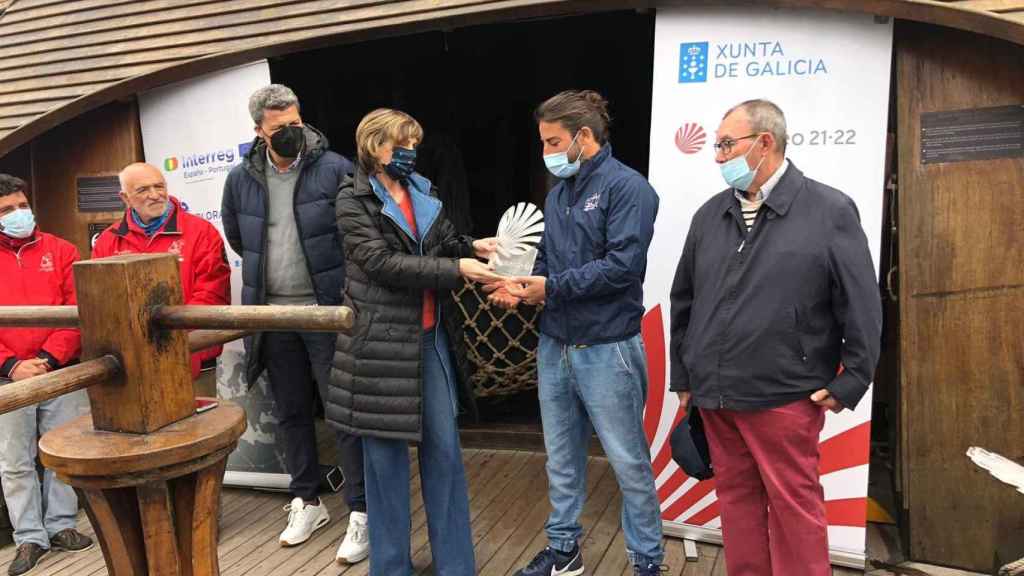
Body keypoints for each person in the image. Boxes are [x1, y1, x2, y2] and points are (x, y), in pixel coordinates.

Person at [668, 99, 882, 575]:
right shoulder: (709, 215)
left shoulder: (829, 210)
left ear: (765, 143)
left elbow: (862, 304)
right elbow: (684, 299)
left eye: (726, 144)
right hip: (716, 396)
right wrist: (684, 375)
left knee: (794, 507)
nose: (717, 156)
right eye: (717, 146)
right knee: (737, 503)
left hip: (785, 395)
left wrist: (853, 380)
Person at [491, 90, 664, 576]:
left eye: (553, 141)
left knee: (629, 463)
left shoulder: (629, 189)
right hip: (555, 345)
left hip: (608, 348)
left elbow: (623, 268)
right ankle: (564, 551)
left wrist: (550, 287)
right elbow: (546, 260)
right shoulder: (558, 191)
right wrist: (522, 287)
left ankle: (647, 562)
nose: (546, 151)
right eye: (543, 142)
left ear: (583, 136)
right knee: (561, 460)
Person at [328, 108, 501, 576]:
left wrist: (471, 247)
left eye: (413, 144)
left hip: (432, 341)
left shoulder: (423, 189)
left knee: (445, 455)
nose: (409, 153)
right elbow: (382, 264)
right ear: (373, 147)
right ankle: (389, 567)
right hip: (379, 349)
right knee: (384, 468)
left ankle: (456, 566)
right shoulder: (352, 199)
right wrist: (456, 269)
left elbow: (441, 242)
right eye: (399, 144)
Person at [220, 84, 368, 562]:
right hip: (273, 314)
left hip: (325, 311)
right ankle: (306, 500)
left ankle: (362, 511)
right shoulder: (241, 179)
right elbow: (240, 239)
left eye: (295, 123)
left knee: (342, 411)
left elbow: (358, 234)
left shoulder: (336, 167)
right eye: (279, 127)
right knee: (289, 412)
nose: (290, 133)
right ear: (259, 131)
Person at [0, 174, 93, 576]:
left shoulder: (62, 249)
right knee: (15, 461)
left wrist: (47, 361)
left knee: (62, 453)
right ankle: (29, 537)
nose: (18, 214)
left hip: (58, 371)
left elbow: (77, 312)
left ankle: (62, 527)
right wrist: (12, 366)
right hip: (8, 379)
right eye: (6, 210)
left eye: (21, 205)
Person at [93, 163, 231, 379]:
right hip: (134, 364)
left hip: (191, 356)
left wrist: (167, 337)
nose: (155, 195)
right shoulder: (108, 242)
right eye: (143, 190)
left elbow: (212, 294)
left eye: (159, 187)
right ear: (125, 198)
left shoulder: (201, 232)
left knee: (201, 414)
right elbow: (101, 302)